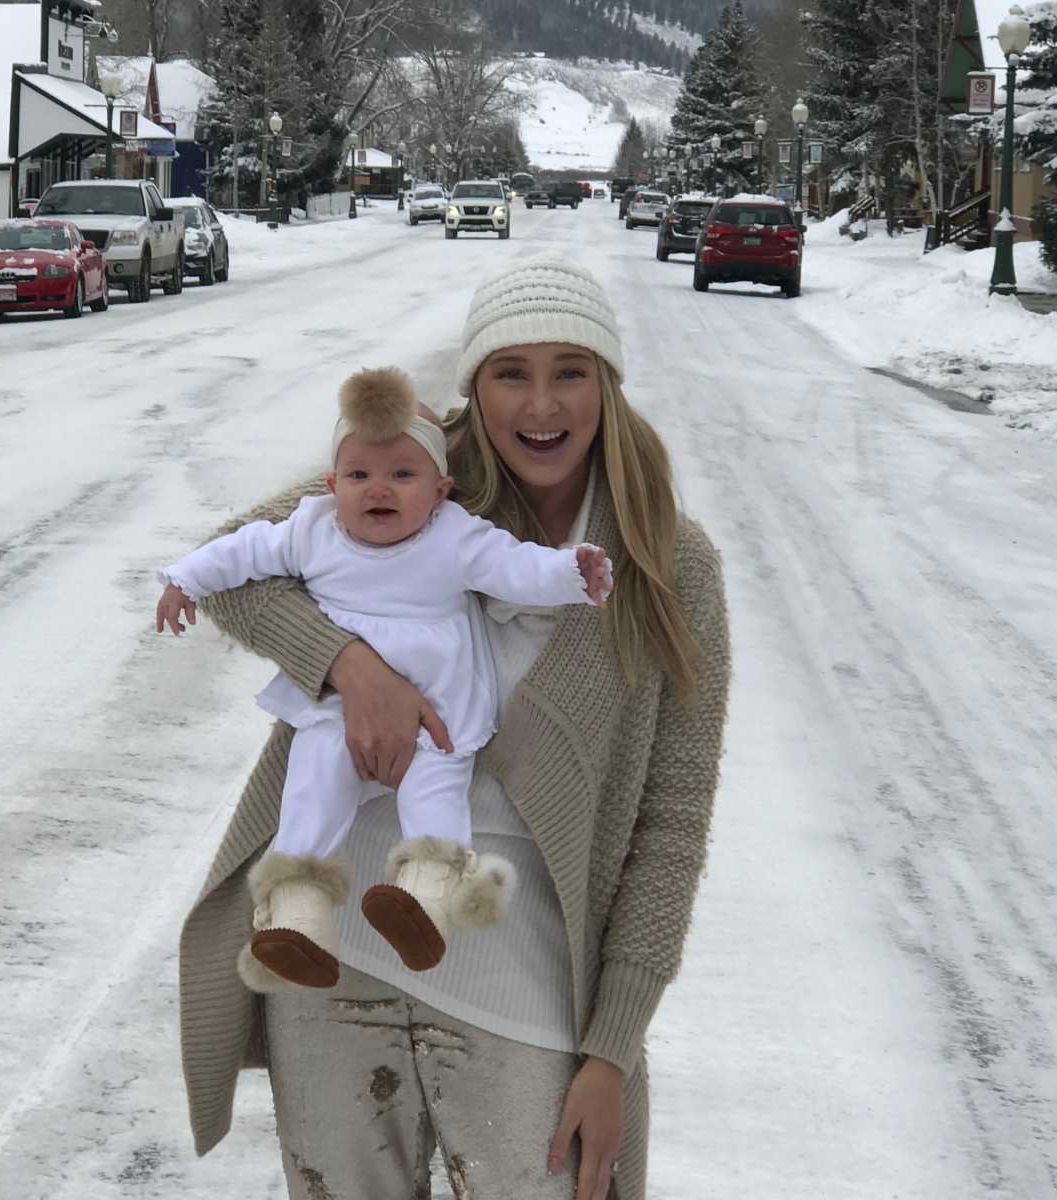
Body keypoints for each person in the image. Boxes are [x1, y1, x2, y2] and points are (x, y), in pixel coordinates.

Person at [177, 256, 731, 1200]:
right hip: (340, 943)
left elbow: (669, 827)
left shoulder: (667, 560)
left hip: (527, 973)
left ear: (609, 383)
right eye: (511, 371)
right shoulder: (414, 471)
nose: (541, 402)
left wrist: (613, 1045)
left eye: (571, 370)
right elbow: (236, 563)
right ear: (474, 386)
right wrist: (350, 668)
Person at [156, 367, 613, 992]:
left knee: (436, 783)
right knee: (313, 784)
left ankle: (426, 898)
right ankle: (298, 912)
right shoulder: (312, 530)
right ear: (331, 484)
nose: (379, 490)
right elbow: (243, 550)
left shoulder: (453, 536)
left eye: (403, 475)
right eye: (360, 476)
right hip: (336, 710)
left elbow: (512, 566)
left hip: (438, 705)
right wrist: (185, 579)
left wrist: (570, 574)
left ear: (441, 488)